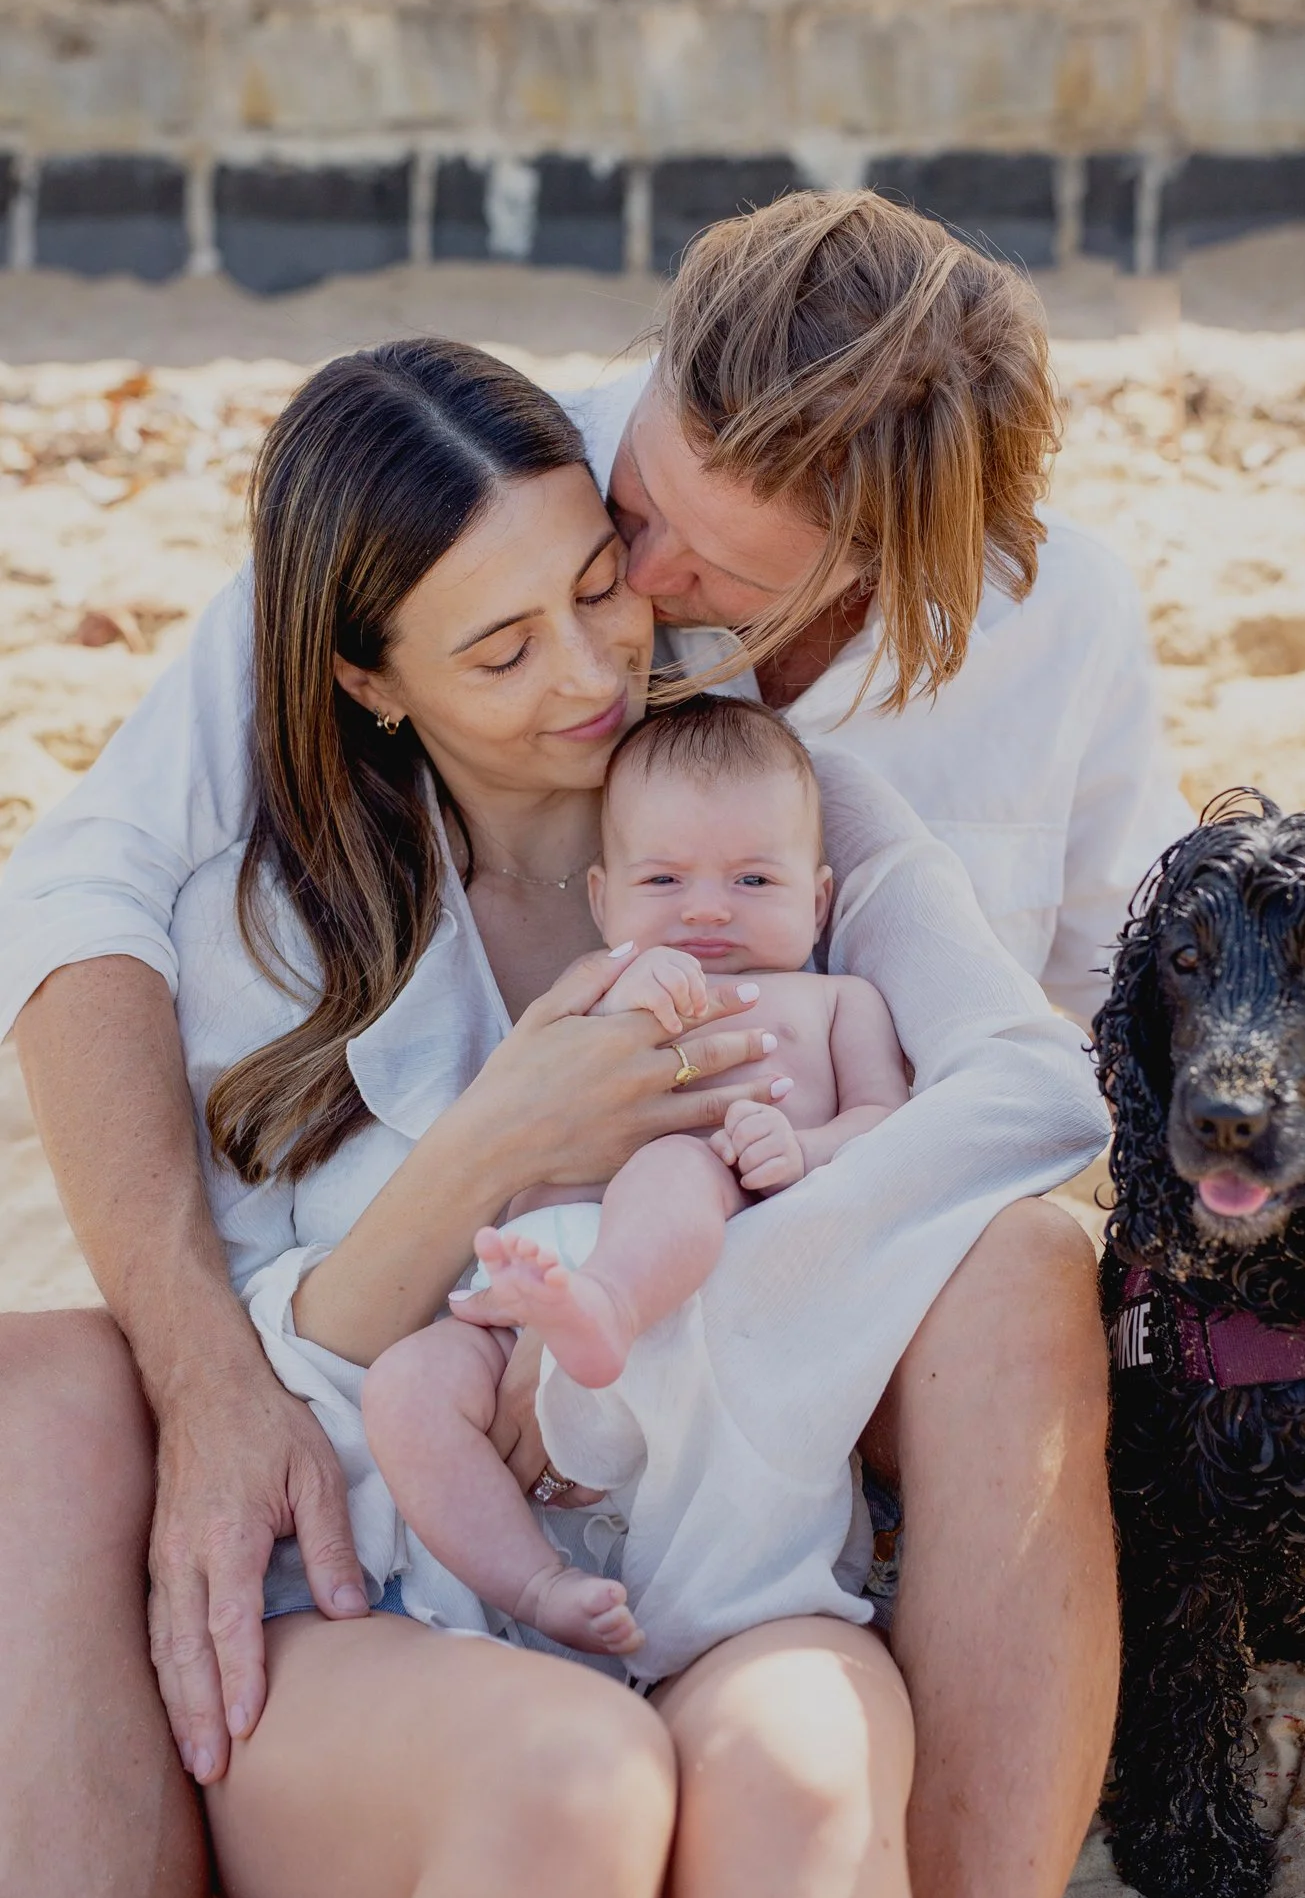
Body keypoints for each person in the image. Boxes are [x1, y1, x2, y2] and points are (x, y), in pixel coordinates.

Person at [0, 191, 1187, 1898]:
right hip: (431, 1518)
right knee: (62, 1395)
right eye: (642, 516)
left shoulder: (838, 788)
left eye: (657, 582)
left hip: (775, 1438)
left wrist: (738, 1229)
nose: (620, 640)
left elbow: (1096, 1043)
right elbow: (74, 906)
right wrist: (488, 1196)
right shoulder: (461, 532)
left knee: (1020, 1283)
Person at [365, 694, 908, 1659]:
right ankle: (535, 1581)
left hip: (685, 1292)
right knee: (405, 1387)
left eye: (752, 877)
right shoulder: (588, 995)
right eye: (664, 879)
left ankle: (607, 1306)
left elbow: (887, 1123)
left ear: (817, 900)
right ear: (604, 899)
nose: (706, 908)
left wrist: (806, 1151)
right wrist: (622, 998)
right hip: (532, 1297)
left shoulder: (837, 1003)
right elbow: (511, 1120)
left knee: (674, 1161)